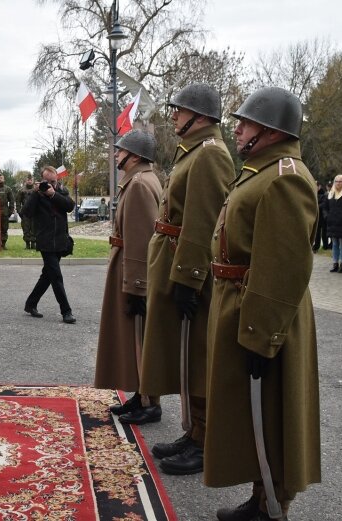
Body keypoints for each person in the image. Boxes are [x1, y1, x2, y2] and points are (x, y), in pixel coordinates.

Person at [205, 86, 320, 521]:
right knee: (254, 409)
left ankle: (275, 506)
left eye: (246, 122)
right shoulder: (260, 170)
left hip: (268, 313)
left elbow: (284, 266)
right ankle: (260, 497)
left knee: (273, 408)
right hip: (245, 304)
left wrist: (259, 334)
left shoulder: (285, 176)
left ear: (270, 131)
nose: (237, 127)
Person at [138, 83, 235, 475]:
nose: (174, 116)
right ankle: (194, 431)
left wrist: (189, 277)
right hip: (175, 260)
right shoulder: (194, 152)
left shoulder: (210, 155)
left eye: (180, 110)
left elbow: (202, 222)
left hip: (188, 266)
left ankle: (206, 438)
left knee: (196, 357)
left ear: (201, 116)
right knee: (183, 354)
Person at [94, 130, 162, 419]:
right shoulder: (143, 180)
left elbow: (141, 238)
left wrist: (136, 285)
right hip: (130, 267)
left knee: (139, 337)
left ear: (134, 156)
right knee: (137, 337)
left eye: (120, 151)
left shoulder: (138, 185)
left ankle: (149, 402)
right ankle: (141, 395)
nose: (116, 155)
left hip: (133, 270)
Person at [21, 165, 76, 324]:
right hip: (45, 242)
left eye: (53, 181)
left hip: (60, 241)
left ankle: (30, 304)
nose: (51, 184)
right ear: (42, 179)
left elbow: (69, 206)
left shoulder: (61, 191)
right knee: (56, 276)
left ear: (57, 179)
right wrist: (36, 194)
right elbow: (26, 212)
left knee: (48, 275)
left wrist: (53, 195)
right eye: (47, 181)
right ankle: (66, 311)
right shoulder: (37, 194)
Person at [16, 174, 37, 249]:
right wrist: (19, 212)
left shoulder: (36, 190)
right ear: (26, 181)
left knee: (34, 228)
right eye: (28, 180)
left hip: (35, 213)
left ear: (33, 181)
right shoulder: (21, 190)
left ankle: (34, 244)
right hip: (25, 213)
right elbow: (18, 202)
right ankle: (27, 244)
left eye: (31, 180)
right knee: (26, 229)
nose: (29, 181)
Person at [312, 182, 330, 251]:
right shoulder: (314, 194)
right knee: (317, 232)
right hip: (317, 216)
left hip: (323, 216)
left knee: (324, 232)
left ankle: (325, 246)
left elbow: (323, 204)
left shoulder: (324, 194)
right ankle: (316, 245)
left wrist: (316, 206)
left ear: (319, 186)